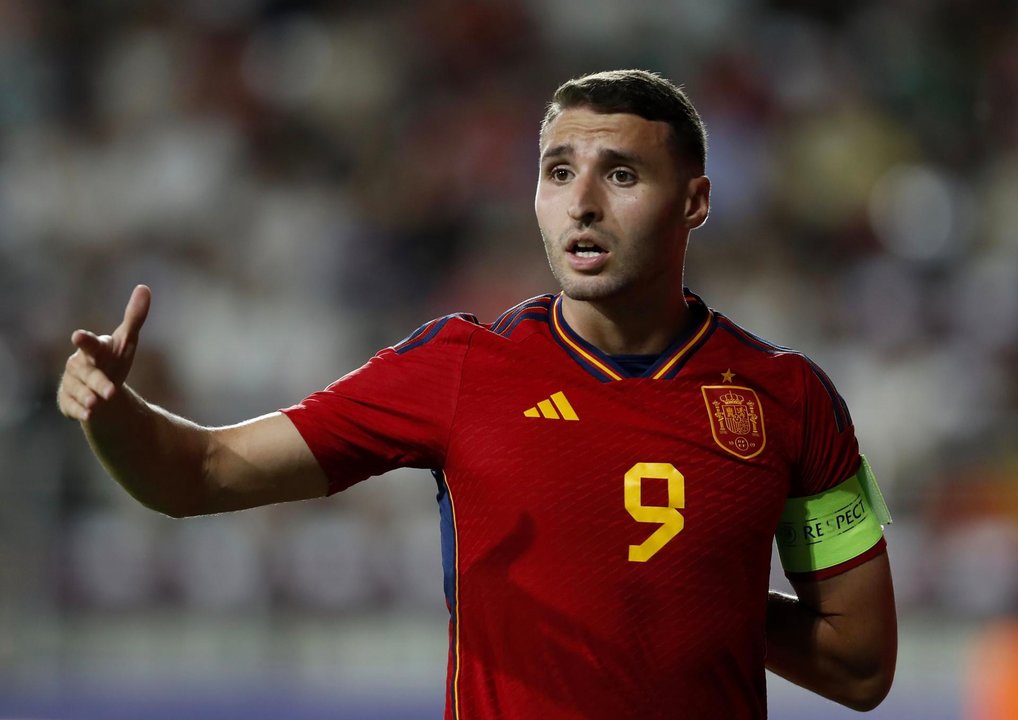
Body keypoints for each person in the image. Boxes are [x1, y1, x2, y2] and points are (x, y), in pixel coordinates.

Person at [57, 69, 897, 718]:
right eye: (559, 172)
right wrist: (111, 409)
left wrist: (690, 588)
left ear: (696, 202)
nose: (583, 204)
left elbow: (861, 664)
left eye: (622, 176)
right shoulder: (459, 367)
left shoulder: (790, 398)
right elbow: (198, 472)